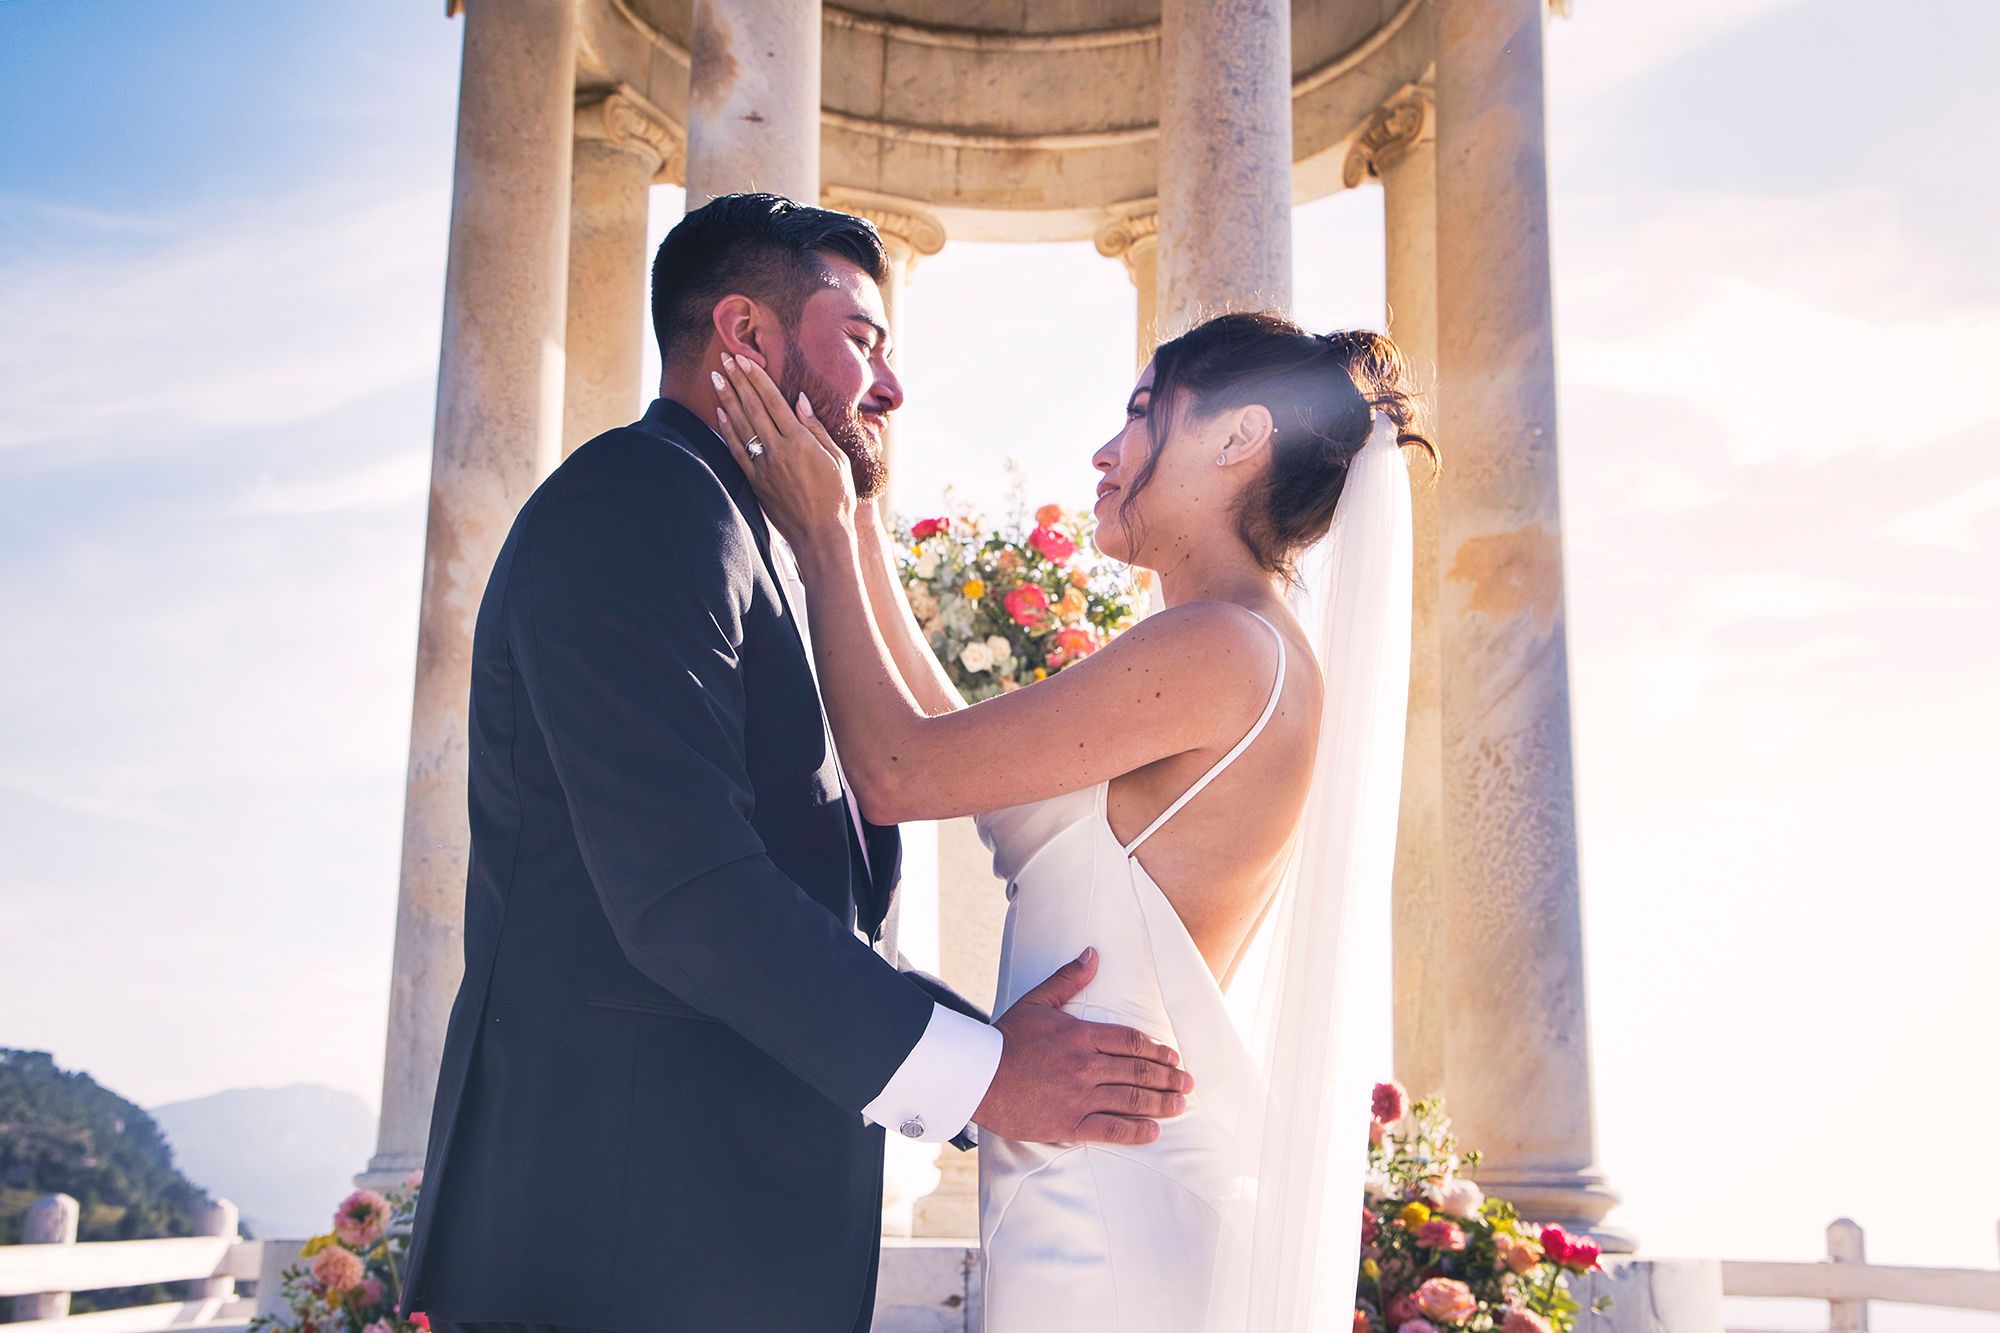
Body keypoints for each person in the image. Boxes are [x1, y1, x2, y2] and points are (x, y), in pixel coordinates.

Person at [398, 194, 1192, 1333]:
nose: (891, 386)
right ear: (747, 337)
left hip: (706, 1251)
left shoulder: (740, 533)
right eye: (862, 340)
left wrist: (990, 1056)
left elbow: (816, 907)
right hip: (620, 1254)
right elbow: (687, 895)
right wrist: (985, 1075)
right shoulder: (638, 505)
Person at [713, 308, 1431, 1330]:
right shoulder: (1228, 644)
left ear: (1238, 439)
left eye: (1144, 414)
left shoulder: (1221, 648)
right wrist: (860, 517)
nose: (1105, 449)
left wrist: (823, 537)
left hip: (1108, 1207)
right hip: (1088, 1174)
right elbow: (959, 758)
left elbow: (895, 770)